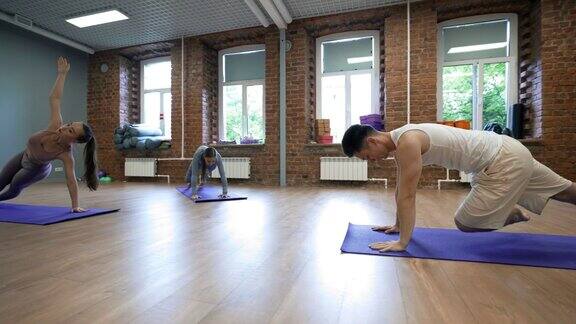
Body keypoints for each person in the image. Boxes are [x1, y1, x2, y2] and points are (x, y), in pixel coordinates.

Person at [341, 123, 576, 252]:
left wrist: (403, 242)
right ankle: (506, 206)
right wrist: (397, 225)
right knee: (565, 191)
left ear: (371, 141)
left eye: (366, 157)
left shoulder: (407, 143)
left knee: (465, 223)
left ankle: (510, 211)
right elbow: (400, 191)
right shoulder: (404, 136)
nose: (371, 161)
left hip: (501, 162)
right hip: (508, 149)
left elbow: (408, 196)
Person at [0, 57, 99, 212]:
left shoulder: (66, 155)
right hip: (24, 155)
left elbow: (71, 180)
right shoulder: (55, 124)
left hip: (36, 169)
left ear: (74, 141)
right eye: (70, 124)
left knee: (14, 186)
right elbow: (55, 98)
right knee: (1, 179)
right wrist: (62, 74)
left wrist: (75, 206)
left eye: (71, 130)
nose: (66, 127)